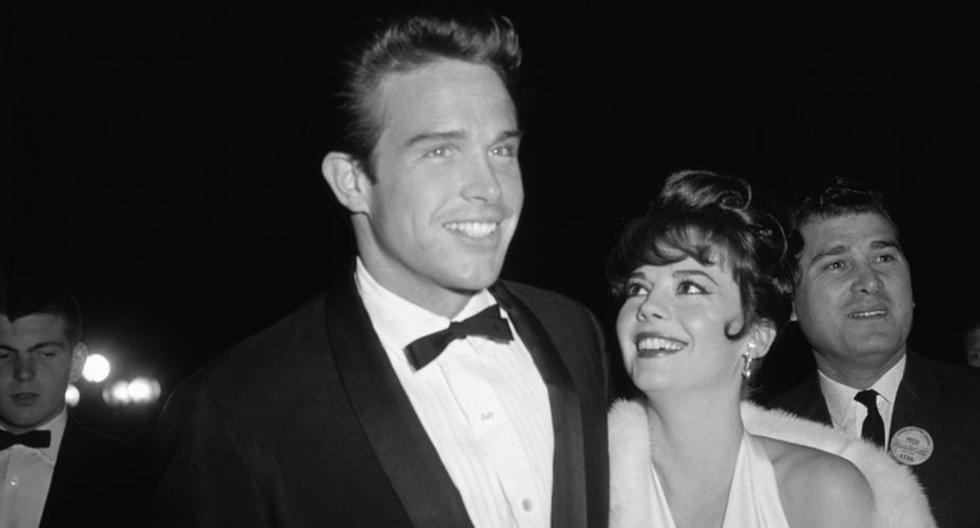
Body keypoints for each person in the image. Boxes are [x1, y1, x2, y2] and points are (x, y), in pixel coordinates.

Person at [148, 11, 609, 528]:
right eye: (440, 151)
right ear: (351, 181)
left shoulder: (575, 331)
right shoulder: (233, 409)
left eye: (501, 149)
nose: (490, 187)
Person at [606, 171, 934, 528]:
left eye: (689, 286)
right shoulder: (579, 473)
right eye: (637, 288)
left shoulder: (823, 489)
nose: (648, 306)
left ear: (757, 336)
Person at [766, 178, 980, 527]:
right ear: (790, 302)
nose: (870, 281)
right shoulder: (765, 439)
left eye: (884, 257)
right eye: (837, 264)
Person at [0, 279, 149, 528]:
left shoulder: (133, 474)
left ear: (77, 362)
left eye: (45, 354)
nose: (24, 373)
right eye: (3, 355)